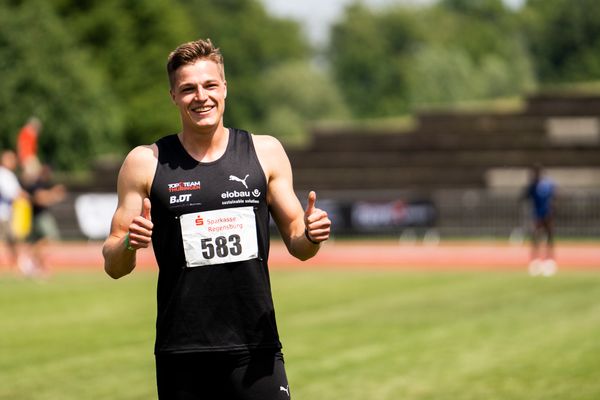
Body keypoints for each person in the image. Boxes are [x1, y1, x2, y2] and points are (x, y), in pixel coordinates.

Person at [102, 38, 331, 399]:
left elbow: (299, 244)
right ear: (174, 96)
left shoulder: (265, 152)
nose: (201, 96)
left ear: (225, 88)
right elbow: (114, 264)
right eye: (188, 89)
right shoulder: (145, 162)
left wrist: (312, 235)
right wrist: (131, 242)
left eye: (210, 85)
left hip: (256, 350)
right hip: (183, 351)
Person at [22, 164, 66, 277]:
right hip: (41, 216)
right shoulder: (38, 184)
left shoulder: (37, 184)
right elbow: (39, 198)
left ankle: (36, 263)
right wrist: (54, 194)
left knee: (41, 242)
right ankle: (30, 258)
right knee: (49, 239)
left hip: (36, 216)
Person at [521, 164, 557, 276]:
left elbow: (555, 196)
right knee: (535, 238)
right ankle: (535, 261)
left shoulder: (547, 185)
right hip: (537, 215)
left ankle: (549, 261)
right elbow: (523, 196)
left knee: (549, 237)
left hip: (547, 215)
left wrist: (552, 209)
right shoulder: (532, 186)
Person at [0, 150, 24, 270]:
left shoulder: (9, 174)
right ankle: (15, 265)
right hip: (2, 214)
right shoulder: (3, 174)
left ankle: (15, 265)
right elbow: (11, 193)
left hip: (7, 213)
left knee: (12, 241)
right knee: (9, 240)